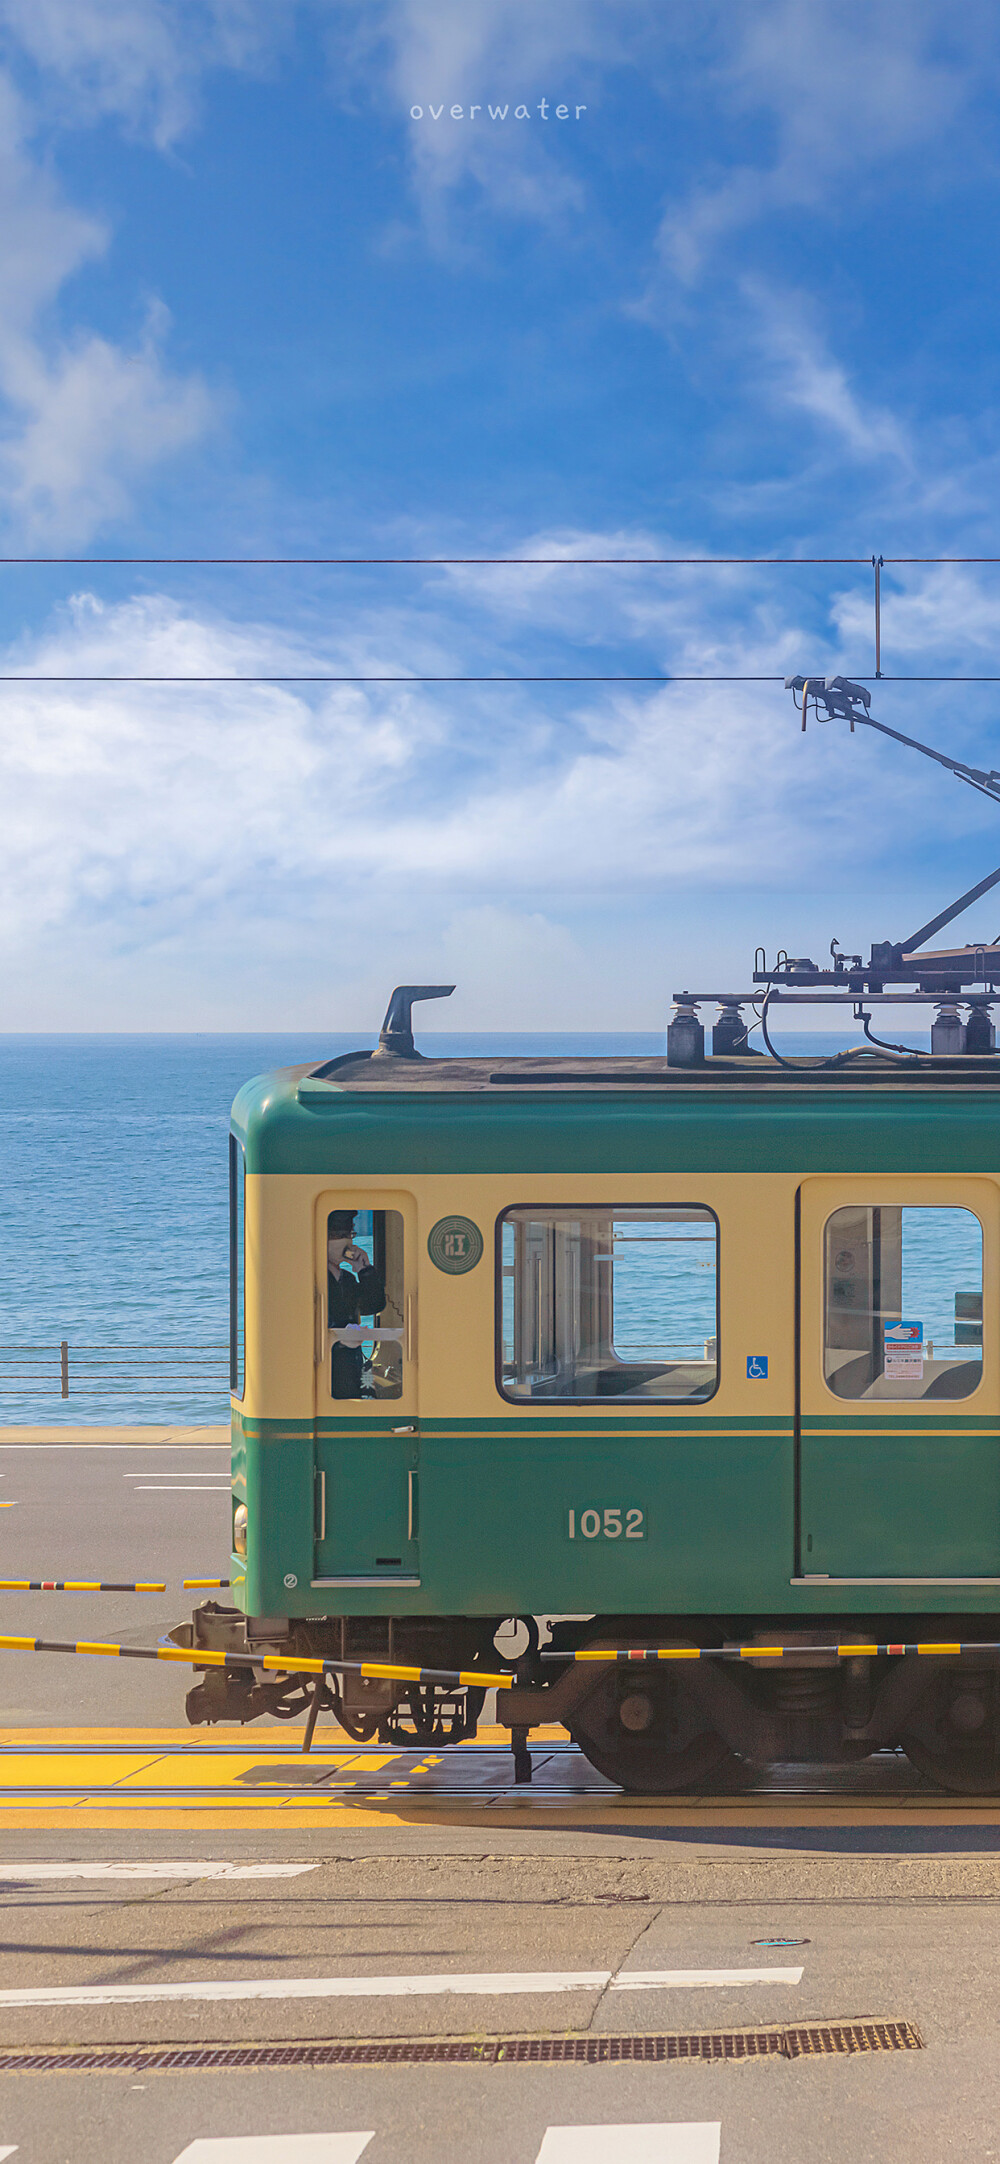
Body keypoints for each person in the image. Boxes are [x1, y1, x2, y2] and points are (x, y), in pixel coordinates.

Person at [327, 1211, 386, 1398]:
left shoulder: (347, 1279)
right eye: (337, 1236)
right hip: (328, 1371)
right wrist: (341, 1339)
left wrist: (364, 1270)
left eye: (349, 1235)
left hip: (351, 1369)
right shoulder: (315, 1280)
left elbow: (373, 1305)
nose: (346, 1242)